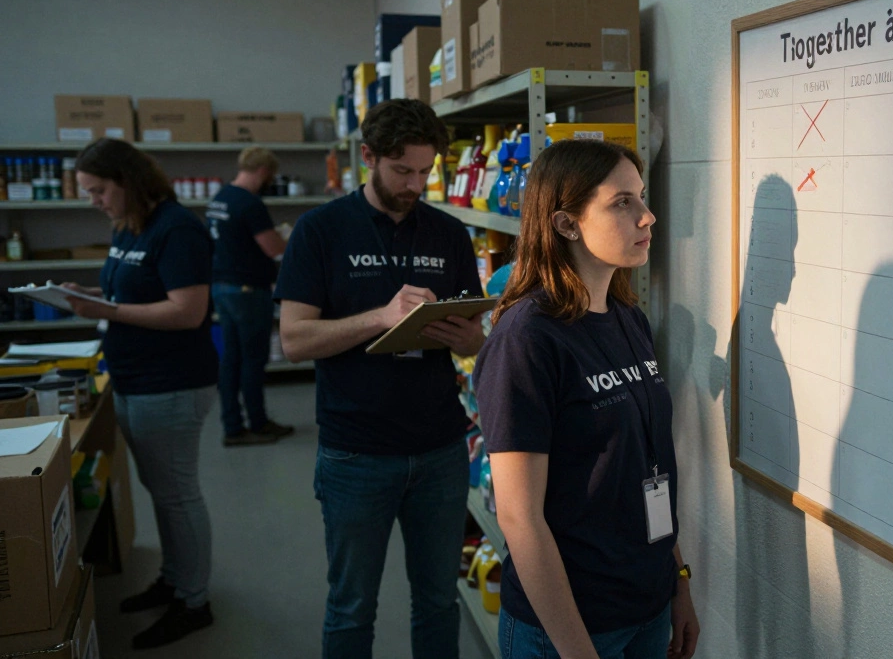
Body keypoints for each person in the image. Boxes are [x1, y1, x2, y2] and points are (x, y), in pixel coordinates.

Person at [274, 99, 485, 659]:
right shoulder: (321, 231)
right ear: (368, 156)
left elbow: (474, 337)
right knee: (351, 606)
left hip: (440, 448)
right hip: (355, 453)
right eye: (402, 171)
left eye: (426, 171)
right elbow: (294, 340)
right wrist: (380, 318)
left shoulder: (449, 234)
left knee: (440, 600)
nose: (416, 183)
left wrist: (470, 341)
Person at [473, 140, 700, 659]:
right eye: (623, 202)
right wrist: (577, 651)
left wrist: (679, 581)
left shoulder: (628, 320)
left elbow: (648, 469)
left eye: (641, 198)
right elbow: (519, 518)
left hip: (647, 608)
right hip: (567, 627)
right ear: (565, 224)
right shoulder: (527, 339)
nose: (648, 217)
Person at [63, 138, 219, 650]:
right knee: (163, 492)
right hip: (133, 378)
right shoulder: (131, 226)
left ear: (126, 182)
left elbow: (187, 312)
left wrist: (105, 312)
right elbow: (133, 292)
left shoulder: (177, 228)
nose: (93, 201)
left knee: (178, 494)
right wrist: (91, 297)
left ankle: (194, 602)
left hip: (171, 383)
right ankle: (174, 580)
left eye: (98, 190)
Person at [206, 146, 294, 446]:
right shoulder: (249, 203)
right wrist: (289, 238)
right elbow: (273, 249)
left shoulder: (220, 198)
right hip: (248, 290)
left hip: (222, 287)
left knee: (231, 359)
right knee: (254, 360)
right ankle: (258, 423)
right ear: (263, 172)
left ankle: (232, 426)